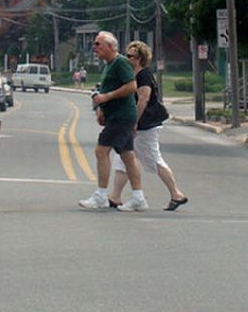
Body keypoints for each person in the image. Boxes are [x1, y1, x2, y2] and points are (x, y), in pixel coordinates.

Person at [108, 41, 188, 211]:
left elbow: (143, 99)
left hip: (145, 126)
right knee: (123, 157)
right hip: (140, 125)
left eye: (131, 56)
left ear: (139, 58)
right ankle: (115, 196)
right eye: (127, 55)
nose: (127, 58)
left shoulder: (143, 75)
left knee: (153, 159)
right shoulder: (132, 73)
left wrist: (134, 122)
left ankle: (176, 193)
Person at [78, 31, 148, 211]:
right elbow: (107, 88)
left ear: (111, 46)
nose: (94, 48)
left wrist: (107, 97)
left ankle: (101, 196)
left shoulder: (120, 62)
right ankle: (138, 197)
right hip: (116, 115)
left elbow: (132, 86)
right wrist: (102, 109)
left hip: (121, 115)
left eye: (97, 44)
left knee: (101, 151)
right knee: (127, 156)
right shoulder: (109, 65)